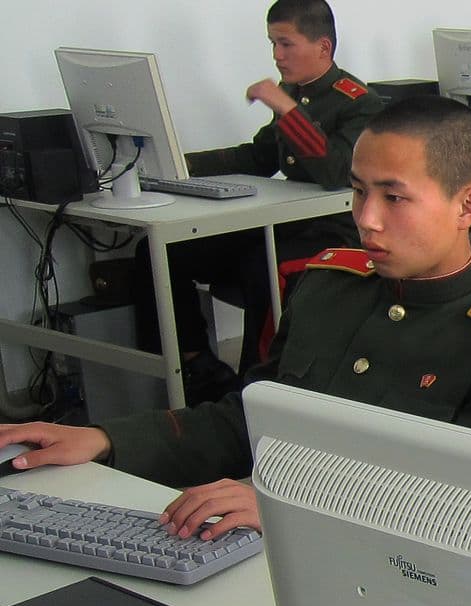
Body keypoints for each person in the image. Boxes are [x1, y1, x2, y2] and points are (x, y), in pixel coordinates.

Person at [0, 96, 471, 541]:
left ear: (467, 206)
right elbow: (244, 420)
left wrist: (290, 505)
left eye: (394, 198)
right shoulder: (327, 287)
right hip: (264, 539)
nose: (365, 220)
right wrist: (103, 439)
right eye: (358, 191)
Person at [135, 0, 383, 397]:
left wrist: (286, 109)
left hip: (330, 229)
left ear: (322, 47)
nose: (276, 56)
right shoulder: (295, 94)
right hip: (282, 222)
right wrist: (177, 164)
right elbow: (260, 157)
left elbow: (336, 171)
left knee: (261, 265)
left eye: (286, 44)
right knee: (162, 252)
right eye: (272, 44)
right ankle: (195, 362)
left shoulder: (358, 102)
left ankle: (255, 385)